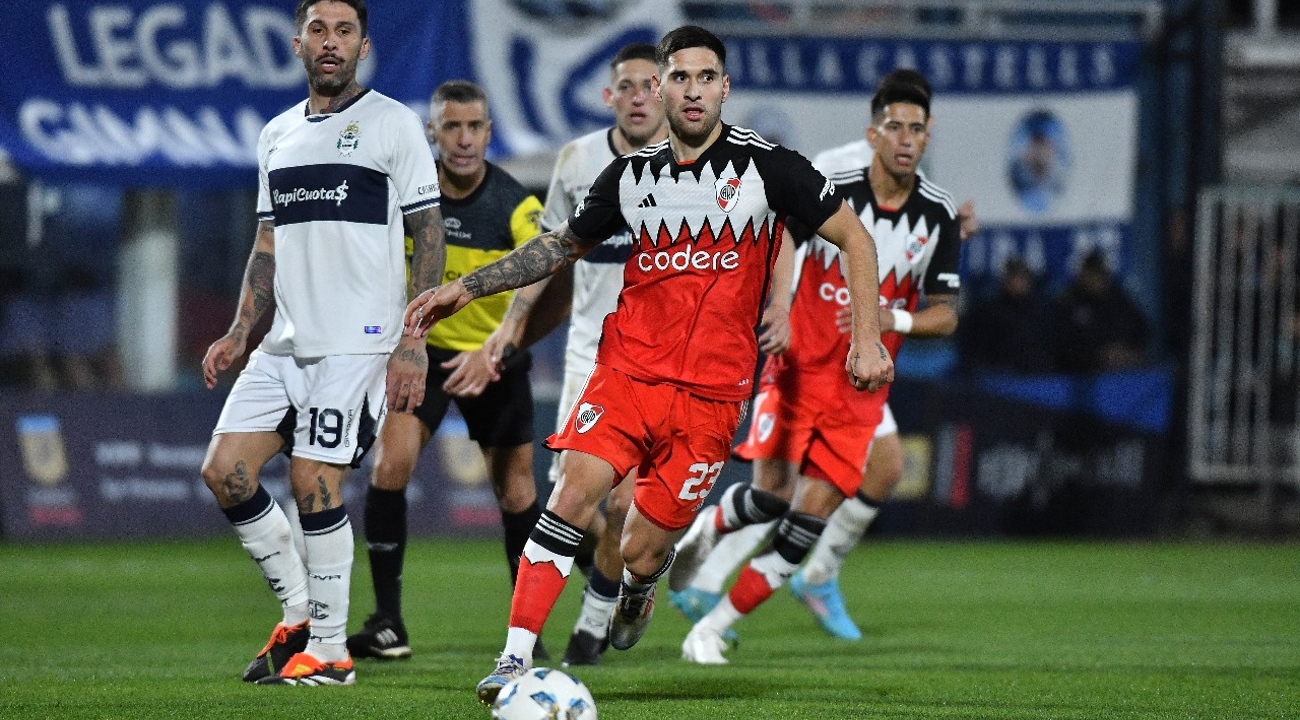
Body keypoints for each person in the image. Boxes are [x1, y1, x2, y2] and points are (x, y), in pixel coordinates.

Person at [404, 25, 893, 704]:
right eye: (680, 77)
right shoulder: (629, 177)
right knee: (573, 494)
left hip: (711, 400)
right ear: (661, 85)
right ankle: (513, 660)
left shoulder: (768, 167)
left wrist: (865, 340)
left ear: (724, 87)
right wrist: (469, 286)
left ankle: (639, 587)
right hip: (627, 374)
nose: (691, 91)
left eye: (705, 78)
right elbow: (558, 247)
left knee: (641, 548)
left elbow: (856, 239)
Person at [672, 68, 963, 662]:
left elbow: (948, 313)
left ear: (927, 137)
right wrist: (779, 307)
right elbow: (783, 239)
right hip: (798, 368)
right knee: (771, 498)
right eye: (894, 128)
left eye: (917, 130)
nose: (906, 139)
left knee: (809, 521)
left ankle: (712, 627)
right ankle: (706, 530)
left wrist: (893, 322)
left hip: (861, 390)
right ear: (872, 134)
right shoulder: (835, 184)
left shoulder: (938, 215)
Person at [199, 0, 444, 686]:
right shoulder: (275, 135)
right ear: (297, 43)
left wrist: (412, 341)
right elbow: (268, 243)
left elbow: (428, 234)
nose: (330, 43)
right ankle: (301, 614)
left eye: (343, 32)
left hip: (359, 341)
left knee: (313, 478)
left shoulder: (392, 123)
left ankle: (333, 653)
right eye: (318, 30)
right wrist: (241, 330)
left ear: (362, 46)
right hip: (285, 342)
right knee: (226, 472)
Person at [344, 80, 546, 662]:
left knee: (516, 494)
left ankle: (525, 638)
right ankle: (388, 624)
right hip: (425, 355)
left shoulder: (514, 202)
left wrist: (499, 349)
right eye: (450, 127)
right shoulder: (409, 194)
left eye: (474, 126)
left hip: (494, 359)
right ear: (432, 132)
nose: (463, 139)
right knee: (390, 466)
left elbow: (540, 270)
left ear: (488, 131)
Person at [484, 43, 667, 668]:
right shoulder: (580, 160)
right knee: (575, 504)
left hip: (661, 366)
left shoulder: (692, 169)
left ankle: (591, 626)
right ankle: (609, 585)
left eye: (651, 84)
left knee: (623, 505)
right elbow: (552, 247)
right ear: (608, 95)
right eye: (628, 86)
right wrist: (513, 322)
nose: (640, 95)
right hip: (591, 356)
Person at [1051, 249, 1148, 372]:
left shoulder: (1118, 298)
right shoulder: (1070, 302)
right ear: (1082, 276)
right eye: (1091, 275)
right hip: (1084, 372)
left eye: (1099, 275)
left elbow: (1142, 328)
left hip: (1124, 367)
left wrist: (1123, 350)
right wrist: (1099, 355)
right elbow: (1064, 346)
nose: (1096, 281)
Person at [959, 256, 1054, 374]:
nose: (1018, 283)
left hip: (1036, 377)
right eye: (1014, 278)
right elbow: (976, 349)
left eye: (1021, 278)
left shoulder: (1042, 310)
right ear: (1005, 280)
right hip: (998, 377)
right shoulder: (988, 311)